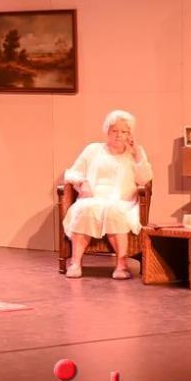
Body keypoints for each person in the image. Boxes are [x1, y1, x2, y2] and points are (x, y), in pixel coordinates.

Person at [61, 109, 152, 280]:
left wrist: (138, 155)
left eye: (124, 131)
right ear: (107, 131)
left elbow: (144, 179)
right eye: (114, 130)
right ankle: (75, 263)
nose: (119, 135)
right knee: (85, 209)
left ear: (130, 134)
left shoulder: (134, 153)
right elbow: (72, 172)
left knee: (114, 211)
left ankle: (122, 265)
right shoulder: (93, 150)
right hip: (93, 199)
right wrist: (82, 182)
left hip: (122, 201)